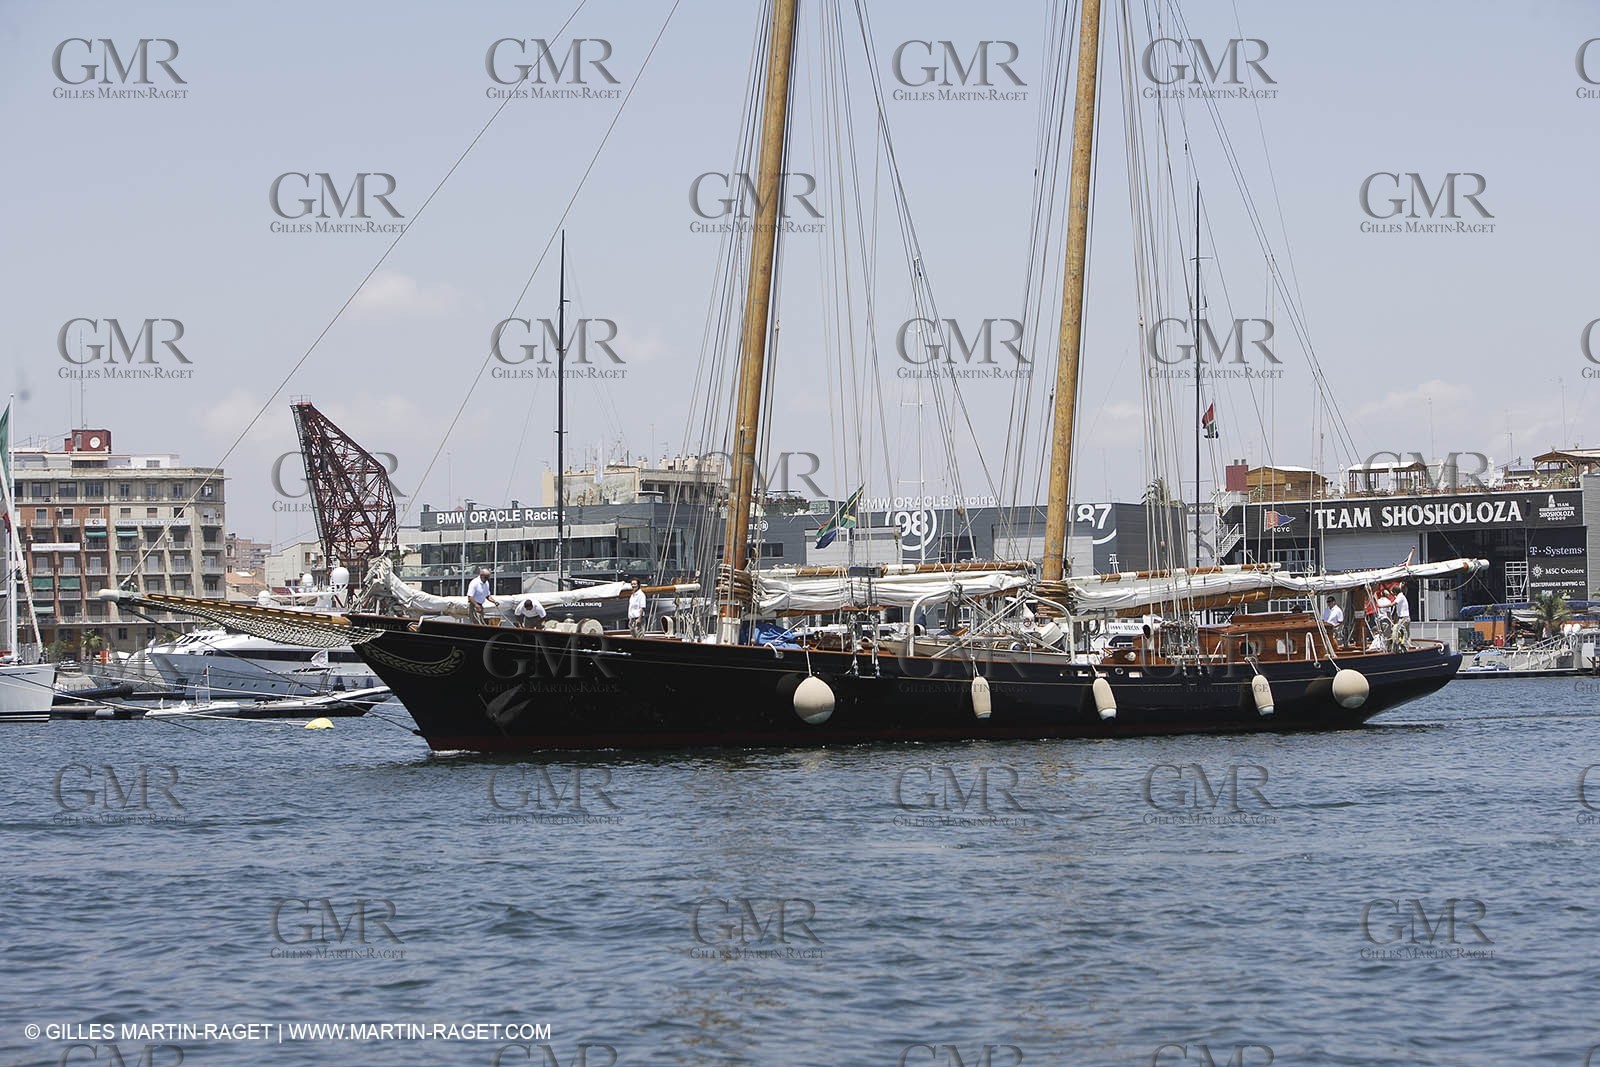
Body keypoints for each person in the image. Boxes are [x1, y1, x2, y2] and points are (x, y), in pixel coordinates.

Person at [1392, 584, 1411, 650]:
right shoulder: (1401, 596)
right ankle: (1404, 644)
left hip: (1404, 617)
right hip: (1407, 617)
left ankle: (1398, 644)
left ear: (1395, 592)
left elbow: (1394, 603)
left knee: (1396, 630)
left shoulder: (1400, 597)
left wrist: (1382, 606)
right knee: (1406, 632)